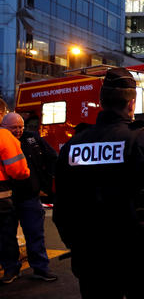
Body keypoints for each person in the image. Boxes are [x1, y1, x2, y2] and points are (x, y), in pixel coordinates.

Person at [53, 67, 144, 298]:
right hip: (136, 252)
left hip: (90, 253)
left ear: (102, 102)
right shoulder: (141, 138)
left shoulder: (75, 144)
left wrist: (76, 244)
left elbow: (61, 205)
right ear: (131, 104)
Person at [0, 113, 58, 283]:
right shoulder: (5, 140)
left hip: (29, 196)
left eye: (20, 127)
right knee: (6, 236)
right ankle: (11, 269)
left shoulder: (32, 139)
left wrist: (45, 185)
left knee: (35, 234)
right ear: (4, 126)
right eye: (14, 128)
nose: (18, 131)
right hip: (7, 198)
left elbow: (52, 157)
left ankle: (40, 268)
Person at [0, 100, 31, 284]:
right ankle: (11, 269)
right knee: (6, 233)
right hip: (2, 195)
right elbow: (18, 170)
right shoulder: (3, 136)